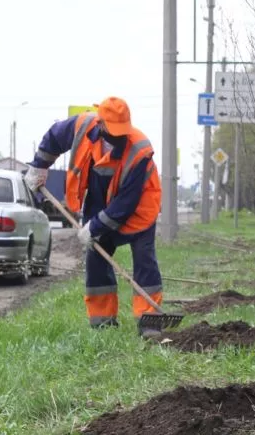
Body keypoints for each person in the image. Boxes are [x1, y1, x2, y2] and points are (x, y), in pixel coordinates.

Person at [24, 97, 165, 338]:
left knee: (144, 260)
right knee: (96, 259)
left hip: (140, 206)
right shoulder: (82, 126)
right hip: (100, 201)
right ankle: (103, 323)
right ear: (101, 124)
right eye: (113, 132)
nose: (118, 137)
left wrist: (96, 226)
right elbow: (54, 138)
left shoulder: (139, 150)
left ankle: (150, 322)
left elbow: (126, 204)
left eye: (122, 132)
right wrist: (39, 167)